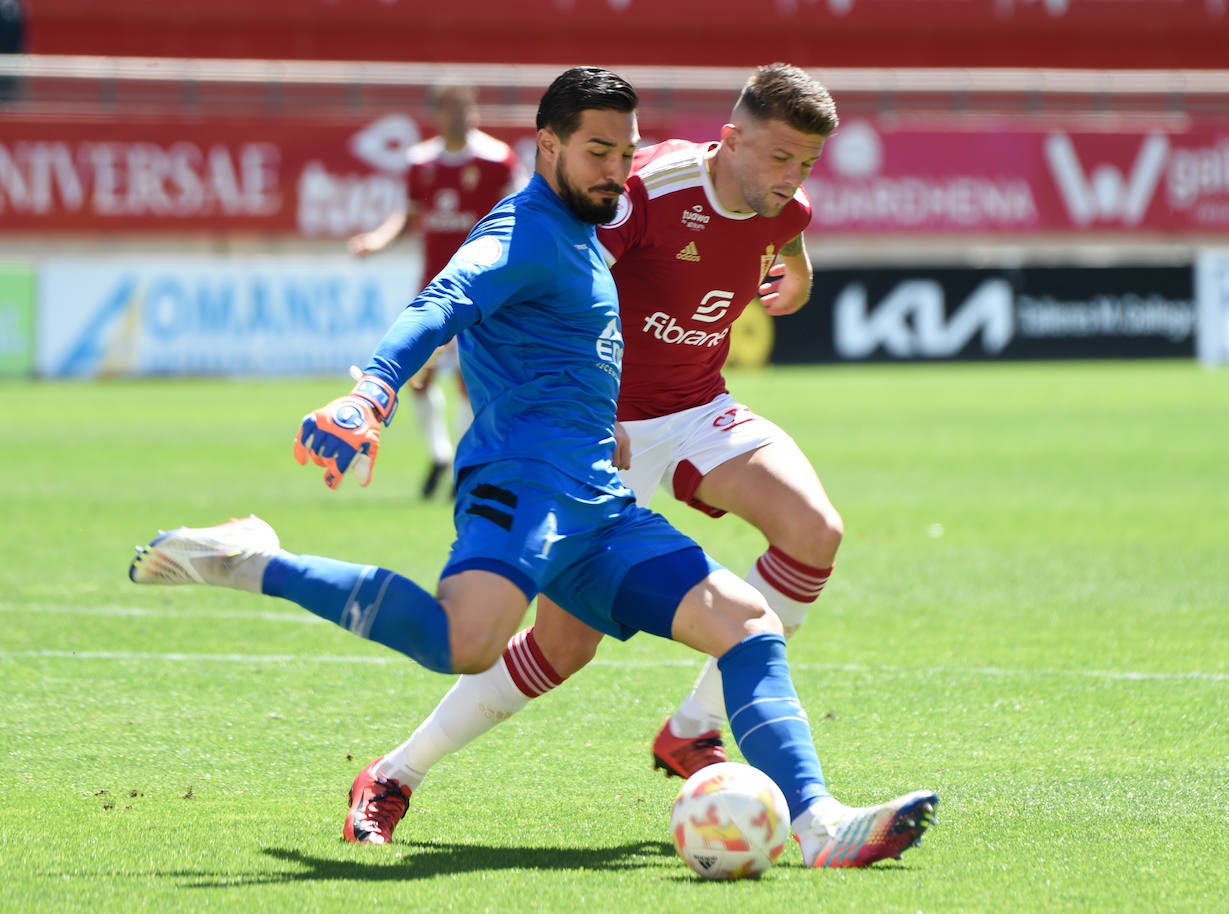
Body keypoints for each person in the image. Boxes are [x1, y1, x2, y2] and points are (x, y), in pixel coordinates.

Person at [129, 65, 937, 869]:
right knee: (475, 642)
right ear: (547, 145)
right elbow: (439, 304)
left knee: (747, 622)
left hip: (602, 485)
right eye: (599, 153)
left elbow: (770, 221)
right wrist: (371, 393)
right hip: (530, 485)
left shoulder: (599, 218)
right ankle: (260, 565)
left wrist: (786, 266)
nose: (619, 173)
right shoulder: (532, 230)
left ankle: (817, 820)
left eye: (625, 151)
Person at [344, 62, 850, 843]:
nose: (793, 178)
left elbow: (789, 227)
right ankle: (394, 772)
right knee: (562, 645)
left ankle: (693, 729)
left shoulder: (786, 199)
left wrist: (801, 272)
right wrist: (586, 406)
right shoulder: (649, 188)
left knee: (815, 531)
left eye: (807, 164)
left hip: (697, 408)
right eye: (780, 159)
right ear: (730, 139)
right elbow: (568, 270)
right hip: (602, 431)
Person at [348, 82, 527, 499]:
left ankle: (465, 465)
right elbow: (409, 217)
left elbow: (522, 217)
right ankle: (440, 455)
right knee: (419, 378)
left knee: (471, 378)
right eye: (451, 108)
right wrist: (377, 240)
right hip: (434, 289)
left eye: (466, 107)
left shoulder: (498, 160)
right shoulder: (421, 162)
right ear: (437, 114)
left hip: (485, 291)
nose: (461, 116)